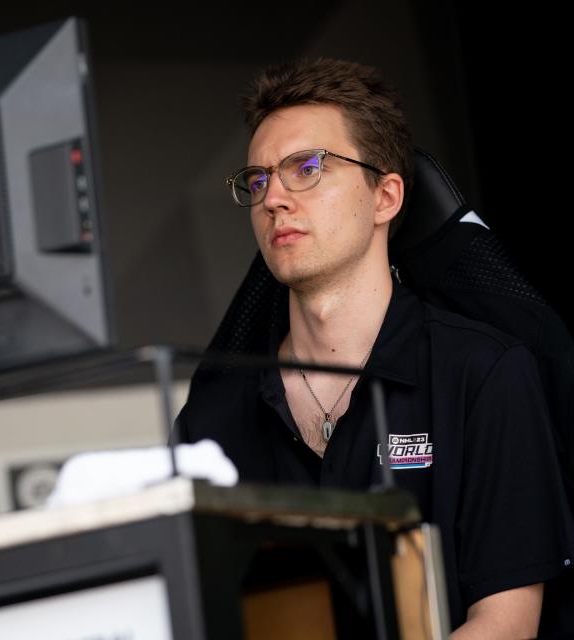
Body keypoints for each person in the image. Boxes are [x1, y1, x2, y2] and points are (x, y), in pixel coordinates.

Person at [175, 57, 574, 637]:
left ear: (385, 197)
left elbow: (505, 623)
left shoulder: (482, 373)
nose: (274, 199)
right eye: (258, 180)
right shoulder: (212, 416)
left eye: (306, 168)